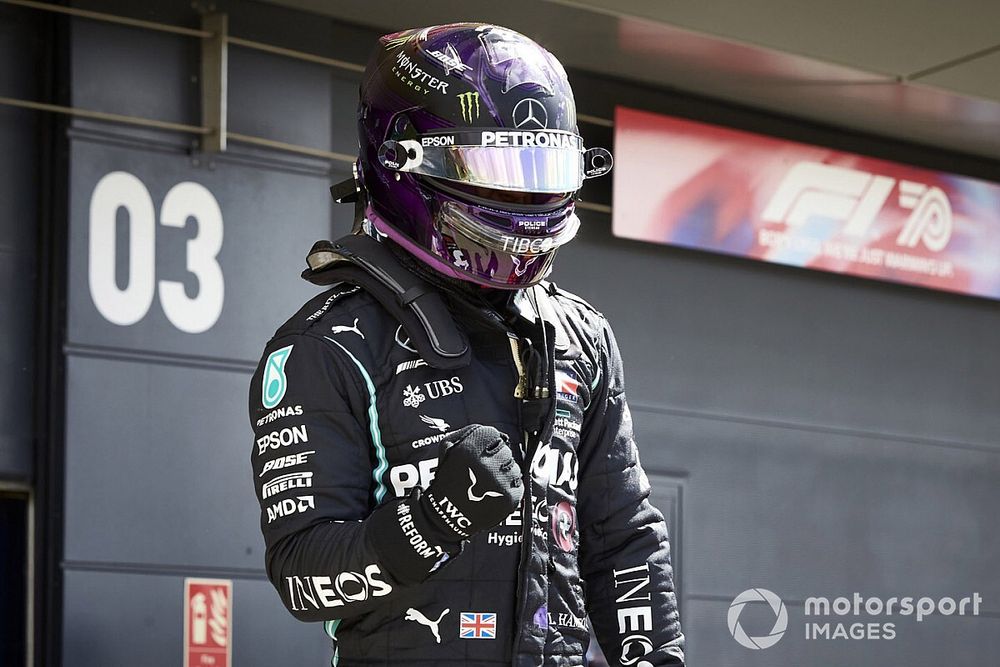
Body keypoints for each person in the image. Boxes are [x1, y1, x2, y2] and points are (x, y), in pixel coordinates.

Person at [248, 23, 685, 667]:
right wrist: (433, 524)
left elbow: (623, 543)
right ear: (402, 161)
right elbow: (301, 576)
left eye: (541, 167)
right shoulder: (326, 347)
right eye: (500, 169)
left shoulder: (582, 337)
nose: (524, 199)